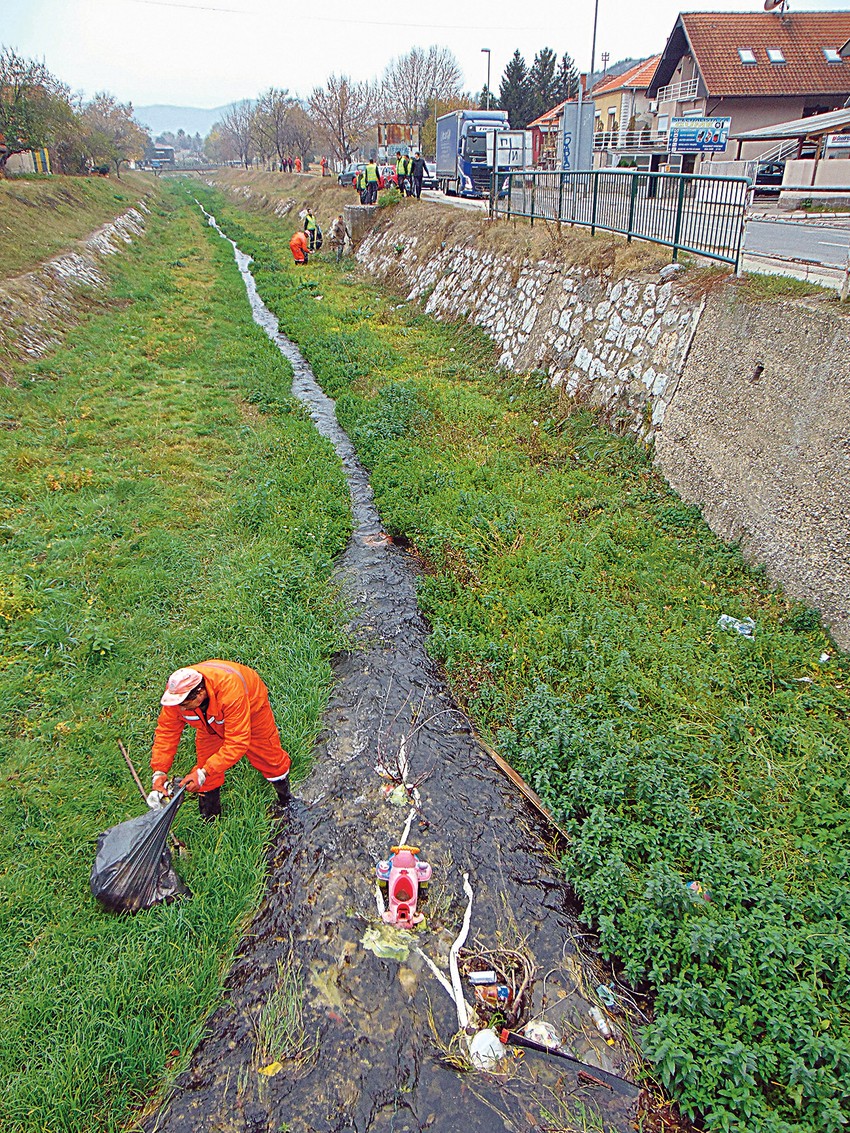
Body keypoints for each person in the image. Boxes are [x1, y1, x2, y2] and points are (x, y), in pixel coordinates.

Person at [149, 661, 291, 821]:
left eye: (184, 705)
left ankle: (286, 799)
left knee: (267, 755)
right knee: (205, 763)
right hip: (208, 722)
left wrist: (203, 772)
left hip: (252, 707)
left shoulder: (230, 691)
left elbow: (237, 743)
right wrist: (159, 772)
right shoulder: (177, 696)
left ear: (200, 692)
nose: (180, 709)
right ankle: (211, 818)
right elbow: (166, 732)